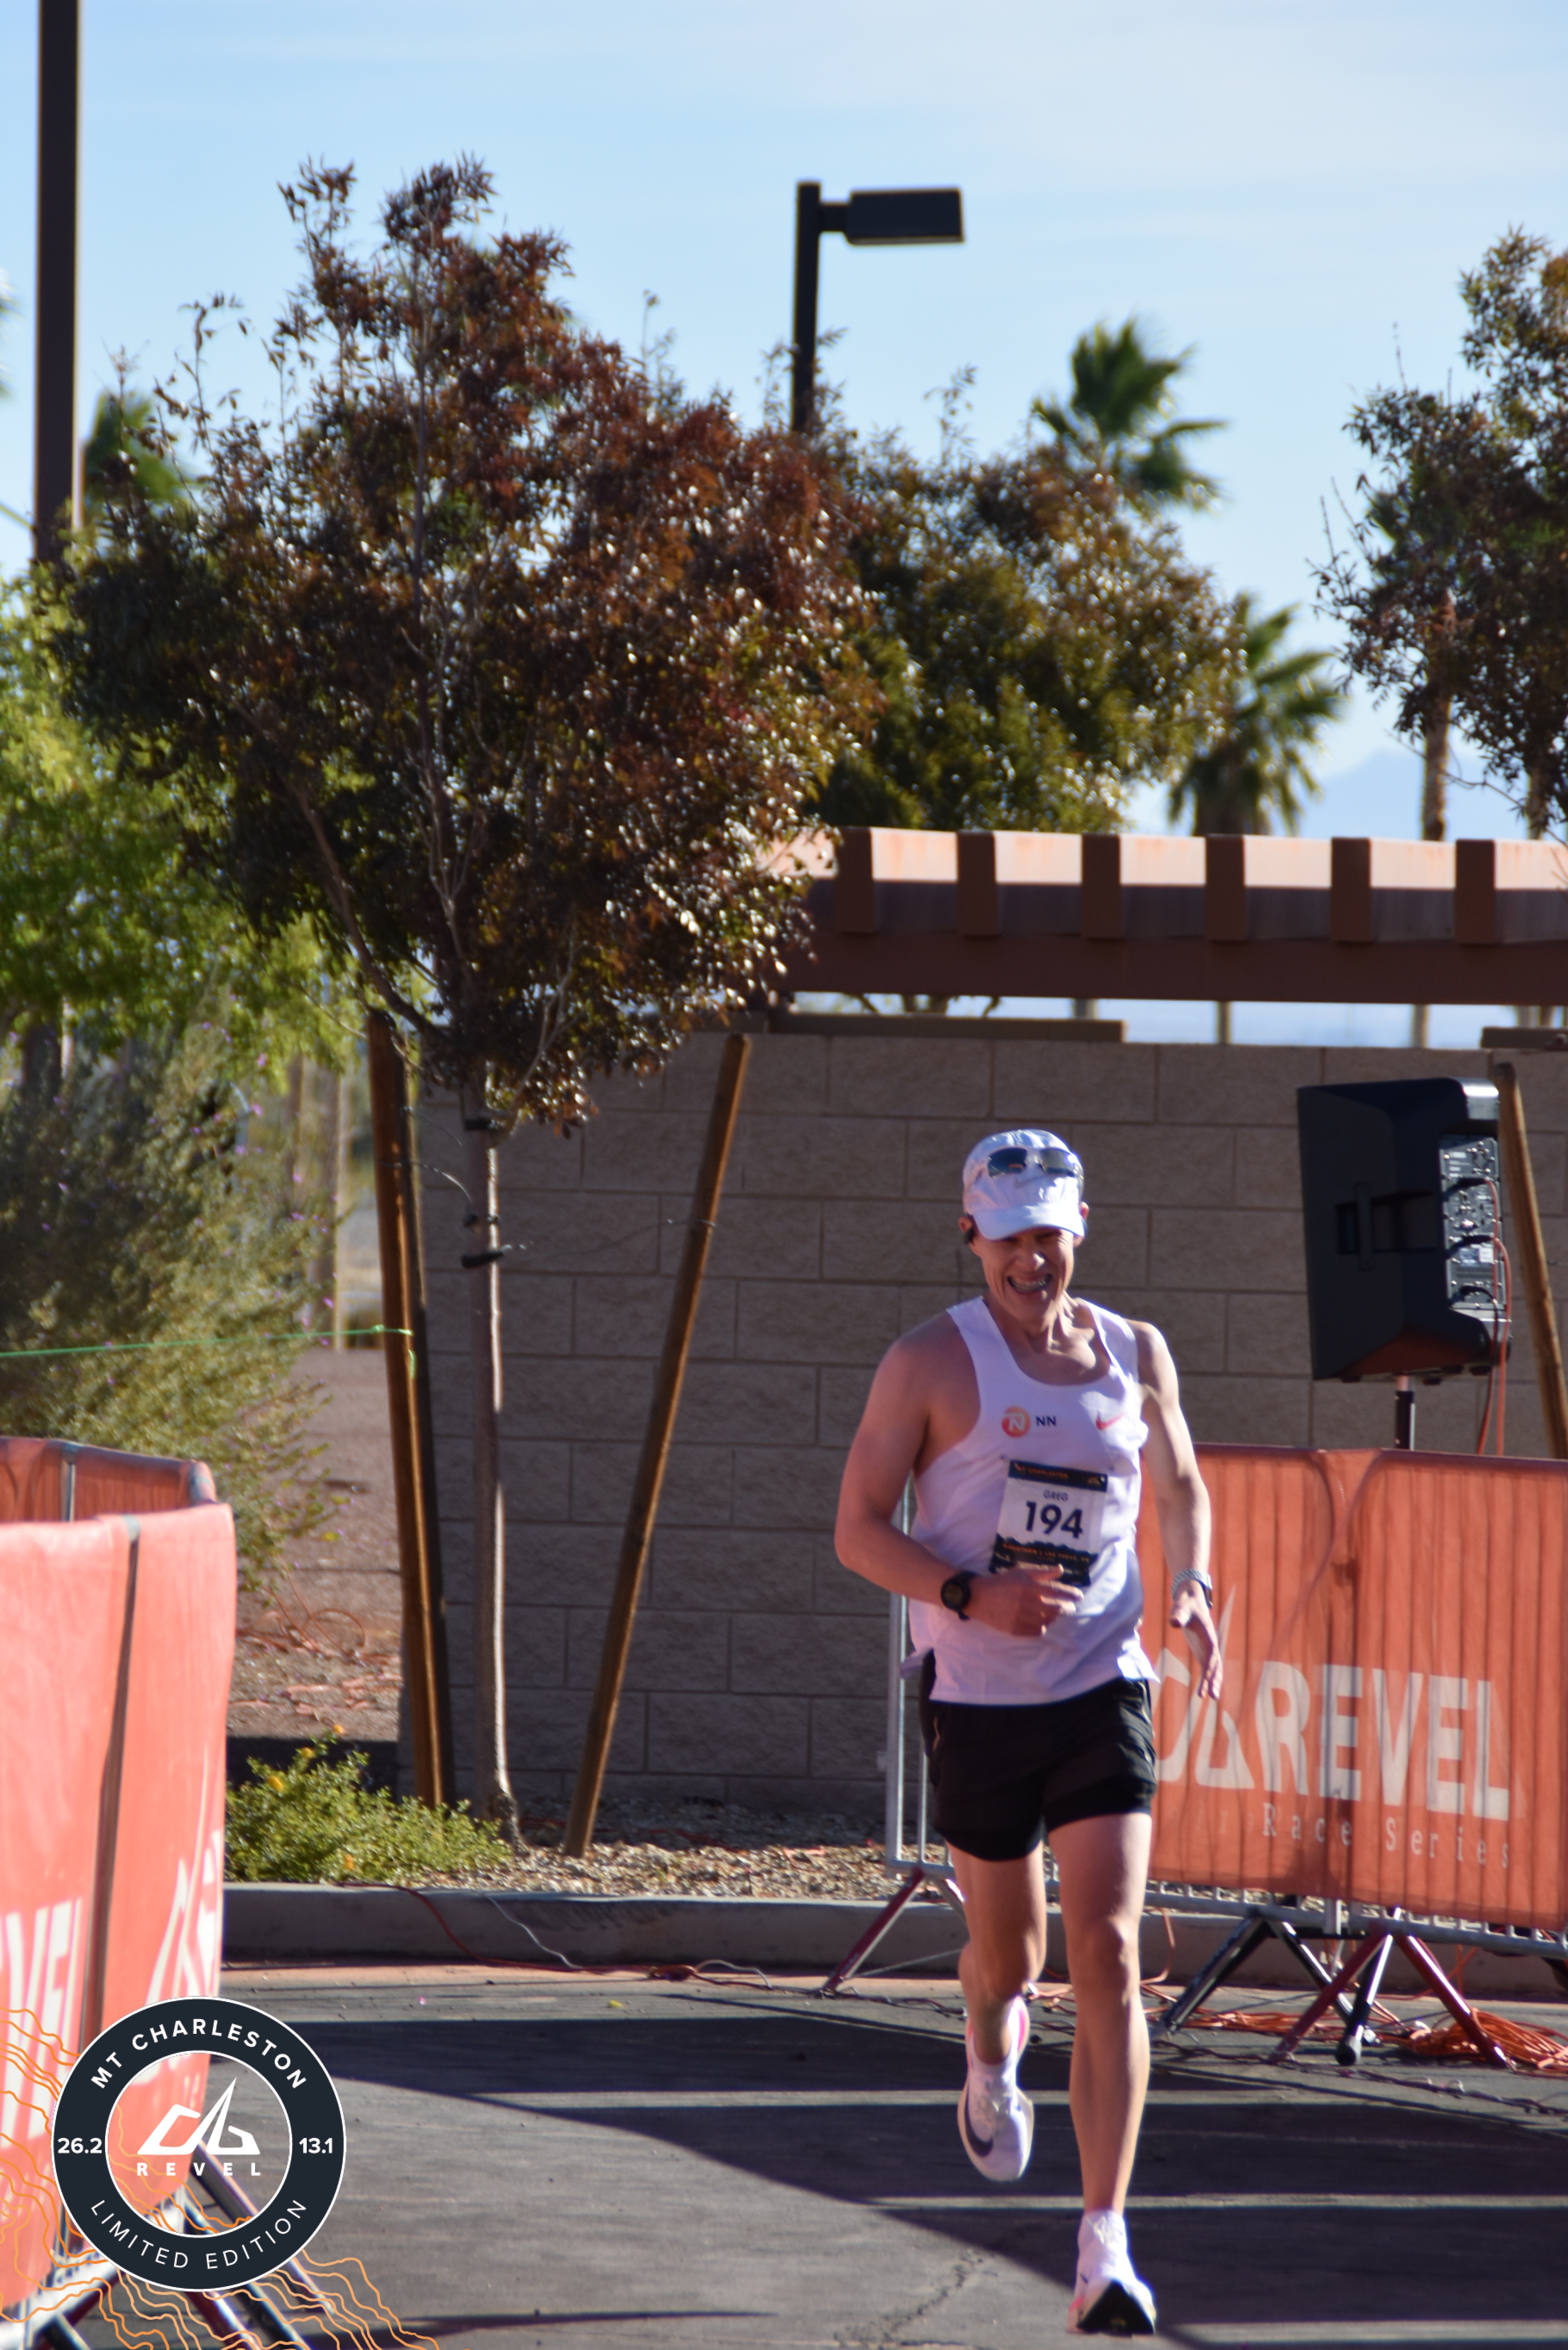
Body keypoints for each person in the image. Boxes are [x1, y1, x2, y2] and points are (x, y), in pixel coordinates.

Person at [835, 1128, 1221, 2337]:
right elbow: (857, 1528)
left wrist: (1192, 1582)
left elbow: (1180, 1484)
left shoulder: (1137, 1351)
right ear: (972, 1237)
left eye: (1049, 1233)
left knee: (1107, 1951)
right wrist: (969, 1593)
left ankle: (1105, 2246)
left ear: (1080, 1227)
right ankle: (990, 2046)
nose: (1031, 1258)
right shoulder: (927, 1362)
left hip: (1103, 1681)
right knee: (1012, 1959)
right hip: (980, 1696)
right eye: (1008, 1237)